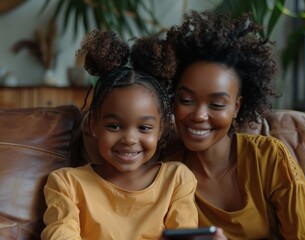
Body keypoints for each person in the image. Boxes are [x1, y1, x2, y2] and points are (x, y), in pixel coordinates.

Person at [164, 11, 305, 239]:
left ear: (237, 107)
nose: (199, 115)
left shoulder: (269, 158)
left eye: (217, 104)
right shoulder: (164, 172)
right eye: (187, 100)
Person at [41, 30, 198, 240]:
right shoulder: (66, 183)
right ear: (94, 124)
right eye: (115, 126)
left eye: (144, 128)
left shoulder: (177, 180)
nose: (130, 139)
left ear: (161, 129)